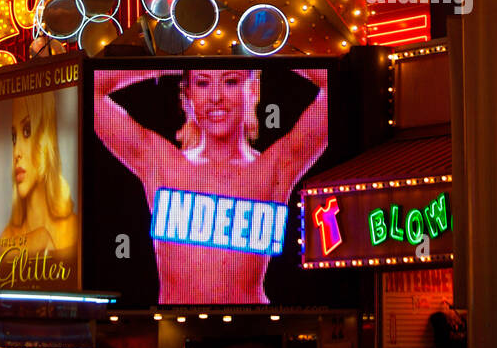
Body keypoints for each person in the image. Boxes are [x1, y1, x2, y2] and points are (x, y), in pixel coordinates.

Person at [94, 67, 327, 305]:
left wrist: (265, 50)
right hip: (174, 327)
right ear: (188, 95)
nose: (216, 97)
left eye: (231, 82)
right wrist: (166, 63)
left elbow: (331, 86)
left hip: (254, 326)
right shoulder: (161, 164)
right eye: (203, 84)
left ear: (253, 89)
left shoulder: (273, 167)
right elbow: (92, 89)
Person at [0, 93, 78, 262]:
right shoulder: (7, 236)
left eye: (27, 131)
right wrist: (39, 239)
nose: (16, 152)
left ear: (45, 137)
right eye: (14, 137)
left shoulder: (74, 229)